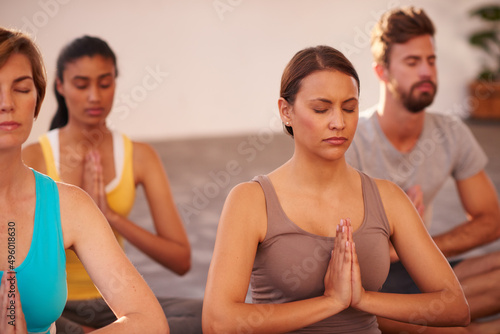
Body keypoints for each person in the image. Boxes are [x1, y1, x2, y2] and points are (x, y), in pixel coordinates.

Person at [202, 45, 469, 333]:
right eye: (321, 109)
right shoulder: (251, 201)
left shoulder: (387, 197)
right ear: (286, 111)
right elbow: (219, 323)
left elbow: (454, 306)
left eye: (349, 108)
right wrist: (331, 302)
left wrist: (363, 299)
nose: (338, 122)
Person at [21, 36, 202, 334]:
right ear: (60, 86)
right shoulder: (35, 156)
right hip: (55, 305)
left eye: (104, 84)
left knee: (210, 319)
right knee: (33, 313)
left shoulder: (140, 156)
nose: (94, 96)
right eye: (81, 85)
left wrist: (110, 218)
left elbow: (180, 260)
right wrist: (75, 213)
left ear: (115, 84)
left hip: (112, 304)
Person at [345, 6, 500, 333]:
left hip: (424, 270)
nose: (427, 71)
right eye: (412, 62)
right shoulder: (349, 140)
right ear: (382, 72)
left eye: (431, 60)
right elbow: (324, 246)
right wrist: (387, 239)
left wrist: (415, 245)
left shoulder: (451, 132)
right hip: (369, 285)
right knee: (453, 327)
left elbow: (490, 219)